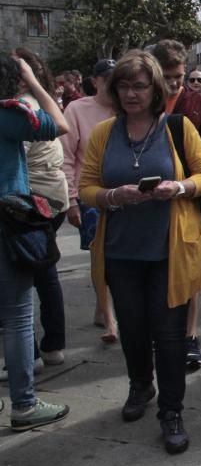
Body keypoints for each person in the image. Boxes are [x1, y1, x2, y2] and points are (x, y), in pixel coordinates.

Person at [79, 50, 201, 454]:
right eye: (123, 85)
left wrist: (180, 188)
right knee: (133, 330)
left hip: (169, 250)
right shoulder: (105, 133)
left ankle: (171, 411)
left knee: (170, 336)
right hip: (121, 250)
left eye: (139, 86)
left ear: (155, 89)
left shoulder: (178, 127)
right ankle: (141, 385)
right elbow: (86, 185)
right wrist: (111, 195)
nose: (130, 94)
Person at [1, 53, 71, 431]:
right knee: (16, 315)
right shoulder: (9, 115)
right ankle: (24, 404)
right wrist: (34, 79)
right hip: (7, 218)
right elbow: (59, 124)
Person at [152, 40, 201, 370]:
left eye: (179, 75)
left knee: (190, 270)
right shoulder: (141, 104)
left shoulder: (197, 103)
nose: (176, 83)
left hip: (188, 198)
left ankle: (189, 336)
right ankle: (159, 334)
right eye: (168, 76)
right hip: (148, 202)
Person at [15, 48, 70, 367]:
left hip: (32, 202)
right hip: (53, 197)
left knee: (21, 279)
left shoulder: (22, 109)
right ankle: (52, 345)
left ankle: (30, 354)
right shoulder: (43, 103)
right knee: (46, 274)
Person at [61, 59, 119, 343]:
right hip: (92, 197)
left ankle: (103, 308)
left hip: (125, 195)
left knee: (118, 258)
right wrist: (71, 200)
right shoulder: (77, 109)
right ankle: (107, 316)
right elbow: (67, 158)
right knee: (101, 256)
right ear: (95, 80)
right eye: (107, 78)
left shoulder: (126, 108)